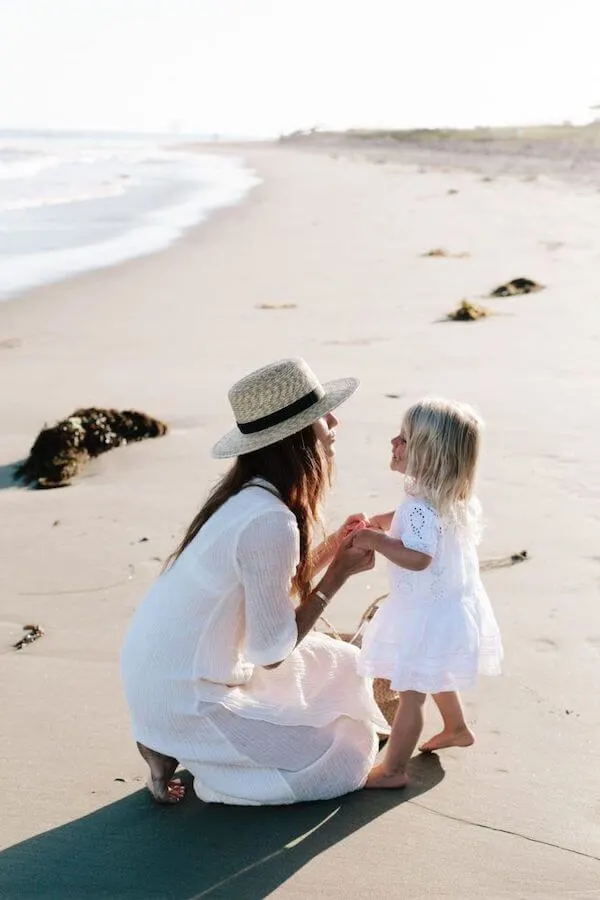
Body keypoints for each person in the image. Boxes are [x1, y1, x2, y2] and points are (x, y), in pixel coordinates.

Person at [121, 358, 389, 806]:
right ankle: (196, 756)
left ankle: (173, 744)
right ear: (298, 436)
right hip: (189, 700)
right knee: (349, 754)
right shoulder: (270, 519)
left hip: (165, 679)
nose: (334, 420)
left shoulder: (246, 498)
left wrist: (332, 548)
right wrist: (338, 573)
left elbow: (266, 592)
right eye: (322, 413)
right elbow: (270, 652)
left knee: (342, 663)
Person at [352, 398, 503, 789]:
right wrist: (382, 522)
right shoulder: (449, 499)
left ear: (427, 454)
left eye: (403, 439)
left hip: (423, 612)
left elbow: (418, 557)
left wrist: (375, 540)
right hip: (447, 609)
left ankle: (393, 770)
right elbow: (411, 522)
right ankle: (456, 727)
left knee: (411, 694)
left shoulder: (422, 507)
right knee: (432, 671)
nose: (393, 442)